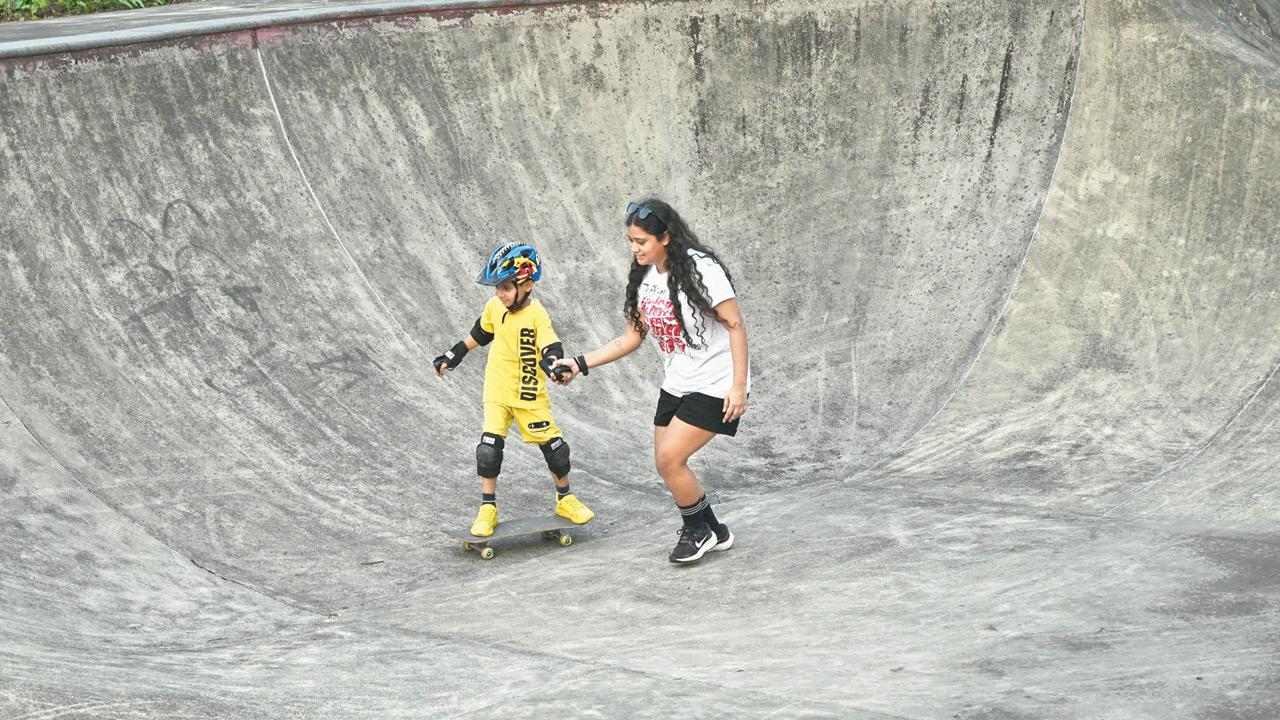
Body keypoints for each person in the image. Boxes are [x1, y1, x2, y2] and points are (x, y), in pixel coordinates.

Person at [554, 199, 750, 564]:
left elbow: (735, 325)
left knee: (670, 459)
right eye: (631, 241)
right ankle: (716, 530)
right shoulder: (645, 277)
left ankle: (697, 532)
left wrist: (738, 386)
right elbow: (632, 337)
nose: (635, 249)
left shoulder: (701, 270)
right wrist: (580, 363)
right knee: (665, 464)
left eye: (641, 241)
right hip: (678, 381)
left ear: (666, 236)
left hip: (716, 382)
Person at [433, 242, 594, 537]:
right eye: (497, 288)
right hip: (497, 387)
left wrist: (555, 364)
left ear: (528, 284)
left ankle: (565, 499)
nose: (500, 294)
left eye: (506, 287)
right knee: (489, 449)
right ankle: (488, 508)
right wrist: (451, 356)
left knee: (556, 450)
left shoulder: (537, 315)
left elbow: (550, 345)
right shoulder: (495, 307)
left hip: (530, 392)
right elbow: (478, 334)